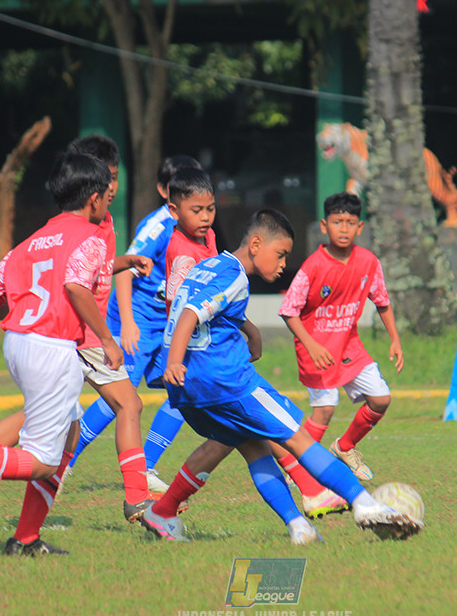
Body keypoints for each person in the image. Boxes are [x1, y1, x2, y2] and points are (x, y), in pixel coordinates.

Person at [0, 150, 151, 556]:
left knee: (70, 429)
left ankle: (25, 538)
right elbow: (76, 286)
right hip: (54, 349)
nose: (109, 200)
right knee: (43, 462)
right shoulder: (90, 236)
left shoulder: (33, 240)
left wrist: (25, 317)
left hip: (18, 344)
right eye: (106, 196)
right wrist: (107, 338)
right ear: (93, 199)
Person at [139, 209, 420, 543]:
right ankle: (366, 504)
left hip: (190, 388)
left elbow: (199, 305)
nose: (284, 263)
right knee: (297, 437)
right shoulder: (233, 275)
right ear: (256, 244)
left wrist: (249, 330)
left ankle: (173, 512)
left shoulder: (209, 266)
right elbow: (189, 313)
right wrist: (174, 361)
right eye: (281, 254)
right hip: (225, 380)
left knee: (250, 443)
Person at [69, 155, 203, 494]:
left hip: (170, 324)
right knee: (120, 395)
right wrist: (128, 323)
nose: (197, 204)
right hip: (139, 319)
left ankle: (147, 466)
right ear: (166, 194)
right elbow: (126, 272)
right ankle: (66, 462)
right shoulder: (158, 226)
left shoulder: (200, 229)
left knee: (182, 390)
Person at [278, 192, 403, 481]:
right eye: (337, 222)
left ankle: (344, 447)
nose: (343, 228)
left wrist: (395, 339)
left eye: (350, 222)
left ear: (360, 228)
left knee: (381, 399)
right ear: (324, 226)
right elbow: (288, 311)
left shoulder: (369, 262)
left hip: (348, 346)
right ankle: (296, 468)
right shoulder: (313, 266)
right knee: (324, 410)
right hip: (316, 350)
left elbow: (382, 301)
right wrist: (311, 345)